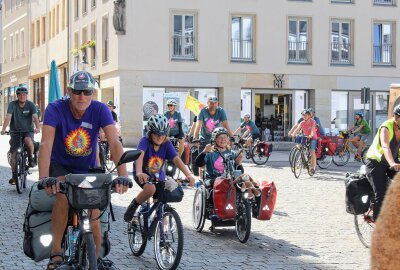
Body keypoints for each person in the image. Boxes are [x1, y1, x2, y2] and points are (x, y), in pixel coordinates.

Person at [38, 71, 131, 270]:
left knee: (94, 208)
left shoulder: (100, 110)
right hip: (61, 166)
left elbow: (114, 143)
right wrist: (44, 178)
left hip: (88, 168)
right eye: (78, 91)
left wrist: (123, 176)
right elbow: (45, 144)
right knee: (63, 197)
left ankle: (95, 259)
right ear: (69, 91)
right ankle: (56, 252)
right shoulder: (55, 109)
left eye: (87, 91)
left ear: (93, 93)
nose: (82, 96)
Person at [124, 114, 195, 221]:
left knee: (162, 197)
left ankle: (160, 225)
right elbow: (140, 155)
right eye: (156, 134)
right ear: (150, 133)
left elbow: (176, 159)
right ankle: (134, 205)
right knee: (150, 189)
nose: (160, 137)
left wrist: (188, 175)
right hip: (143, 173)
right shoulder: (144, 141)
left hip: (158, 176)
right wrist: (139, 172)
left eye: (162, 134)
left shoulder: (166, 144)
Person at [195, 127, 260, 199]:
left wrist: (238, 163)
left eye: (225, 137)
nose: (223, 140)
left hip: (231, 180)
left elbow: (239, 172)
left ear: (228, 139)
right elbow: (198, 163)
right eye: (220, 137)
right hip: (213, 180)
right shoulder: (210, 153)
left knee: (244, 178)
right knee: (224, 181)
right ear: (214, 139)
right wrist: (204, 152)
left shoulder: (232, 153)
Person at [365, 104, 400, 221]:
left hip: (393, 161)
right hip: (376, 161)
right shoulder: (386, 127)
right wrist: (392, 163)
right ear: (396, 117)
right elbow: (385, 147)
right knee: (381, 193)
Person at [1, 87, 40, 185]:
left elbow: (35, 117)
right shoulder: (12, 105)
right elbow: (8, 117)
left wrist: (38, 128)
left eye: (24, 94)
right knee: (14, 154)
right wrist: (3, 129)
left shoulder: (31, 105)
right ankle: (14, 176)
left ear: (27, 95)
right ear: (17, 96)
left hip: (28, 131)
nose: (22, 96)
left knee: (28, 140)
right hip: (15, 131)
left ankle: (31, 158)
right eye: (20, 94)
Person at [370, 172, 400, 269]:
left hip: (391, 165)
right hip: (376, 164)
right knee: (380, 193)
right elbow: (388, 155)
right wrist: (392, 163)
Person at [291, 109, 317, 175]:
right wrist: (293, 134)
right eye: (303, 115)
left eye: (305, 115)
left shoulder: (313, 121)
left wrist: (311, 135)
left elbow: (313, 129)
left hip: (312, 137)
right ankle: (302, 159)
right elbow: (297, 129)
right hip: (305, 137)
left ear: (309, 116)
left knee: (312, 151)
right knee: (300, 146)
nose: (304, 116)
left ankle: (313, 168)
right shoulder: (302, 122)